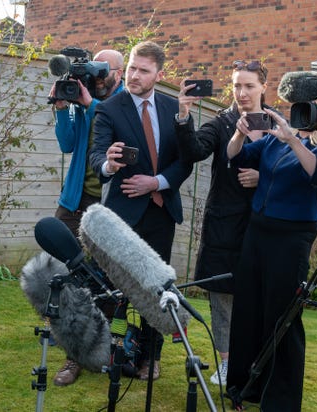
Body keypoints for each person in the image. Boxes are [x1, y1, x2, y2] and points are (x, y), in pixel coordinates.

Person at [225, 107, 317, 410]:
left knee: (282, 315)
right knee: (248, 309)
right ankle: (243, 386)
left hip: (293, 237)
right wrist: (239, 133)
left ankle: (279, 400)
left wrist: (294, 141)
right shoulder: (272, 141)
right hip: (258, 231)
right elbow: (236, 157)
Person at [89, 41, 193, 380]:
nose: (134, 75)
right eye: (132, 67)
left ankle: (151, 357)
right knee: (103, 287)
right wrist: (109, 163)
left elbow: (184, 161)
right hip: (121, 217)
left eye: (143, 70)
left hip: (162, 214)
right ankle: (88, 351)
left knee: (157, 290)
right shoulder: (109, 108)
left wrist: (157, 182)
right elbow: (96, 159)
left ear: (159, 75)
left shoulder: (172, 108)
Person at [174, 59, 273, 386]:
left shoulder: (278, 123)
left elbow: (295, 172)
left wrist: (264, 177)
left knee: (259, 297)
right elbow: (193, 151)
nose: (242, 92)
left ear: (263, 87)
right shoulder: (221, 123)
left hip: (266, 224)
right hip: (225, 224)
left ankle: (258, 363)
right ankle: (228, 363)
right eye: (236, 86)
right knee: (223, 296)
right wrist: (184, 114)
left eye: (248, 86)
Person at [49, 49, 125, 386]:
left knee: (100, 280)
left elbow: (114, 125)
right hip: (74, 198)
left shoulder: (123, 104)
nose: (97, 76)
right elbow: (68, 144)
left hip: (106, 204)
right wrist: (63, 110)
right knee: (63, 272)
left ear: (118, 73)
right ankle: (69, 336)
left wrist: (88, 104)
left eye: (104, 69)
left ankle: (81, 353)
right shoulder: (84, 99)